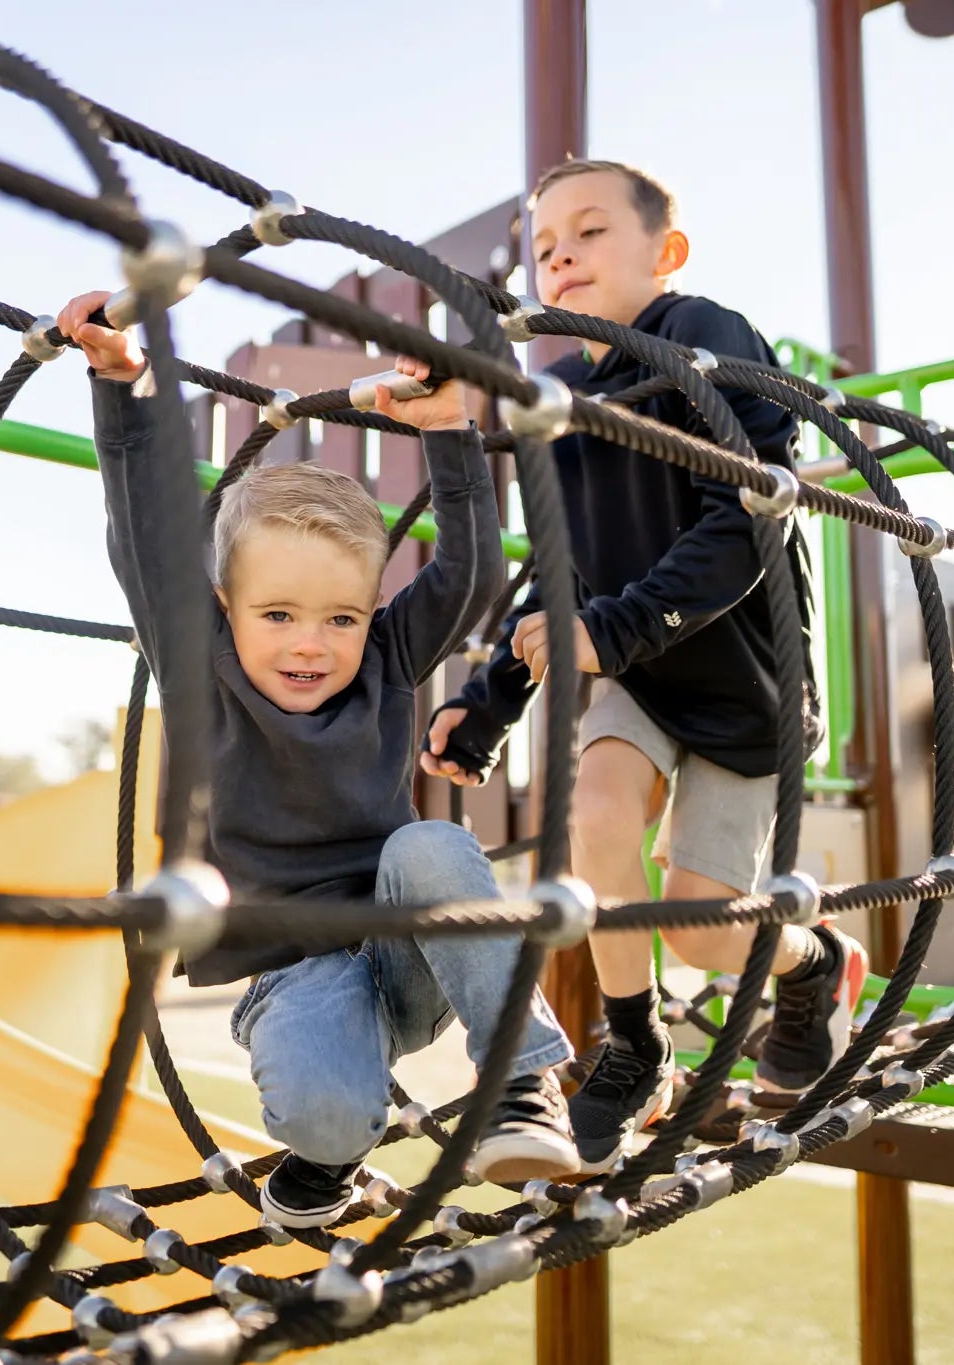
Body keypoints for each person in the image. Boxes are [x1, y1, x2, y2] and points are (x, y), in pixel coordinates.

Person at [57, 292, 579, 1228]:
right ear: (224, 605)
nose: (311, 644)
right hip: (296, 969)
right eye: (278, 615)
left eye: (341, 616)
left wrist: (452, 431)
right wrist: (121, 382)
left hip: (405, 938)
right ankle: (326, 1155)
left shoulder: (386, 655)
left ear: (370, 610)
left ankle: (519, 1083)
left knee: (427, 844)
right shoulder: (200, 661)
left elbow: (467, 577)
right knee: (330, 1116)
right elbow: (141, 534)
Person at [419, 160, 869, 1174]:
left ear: (662, 252)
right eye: (541, 249)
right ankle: (632, 1040)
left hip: (740, 679)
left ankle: (814, 965)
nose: (559, 257)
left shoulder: (703, 336)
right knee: (596, 819)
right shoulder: (561, 398)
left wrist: (610, 629)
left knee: (705, 926)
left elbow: (744, 514)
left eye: (586, 232)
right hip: (636, 668)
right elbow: (557, 572)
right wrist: (490, 701)